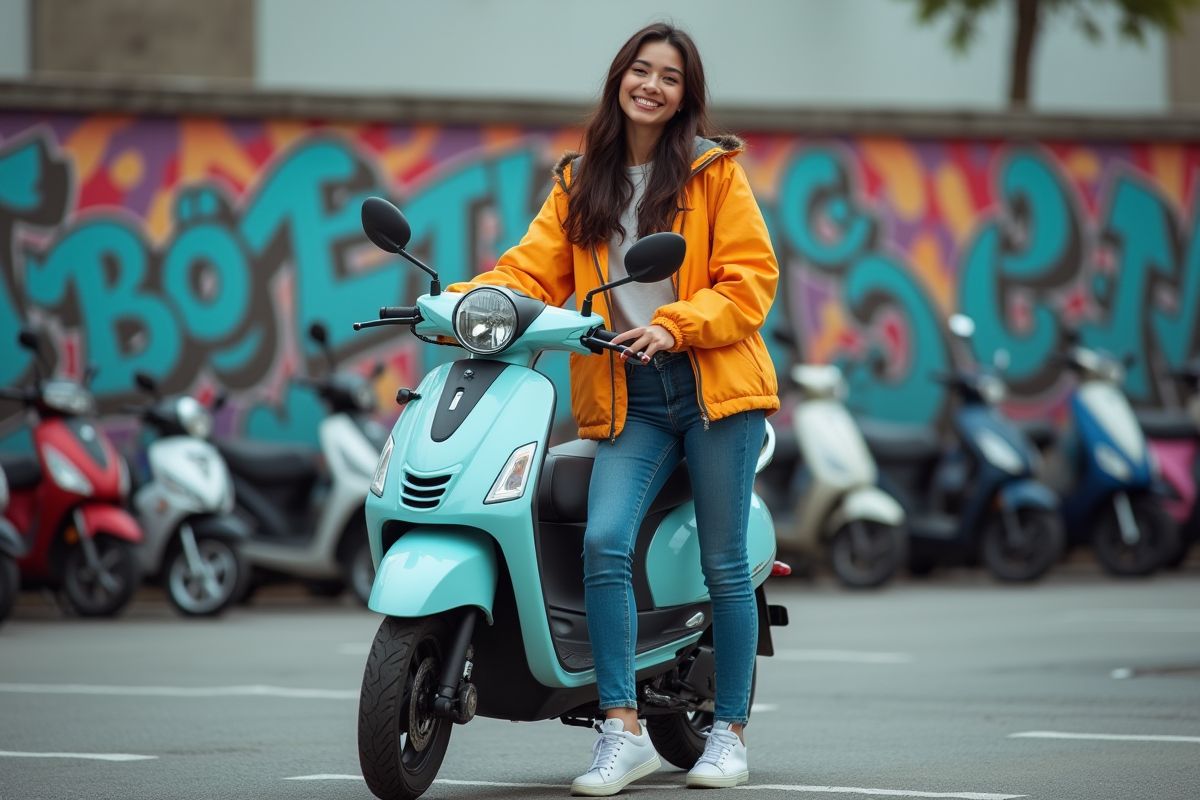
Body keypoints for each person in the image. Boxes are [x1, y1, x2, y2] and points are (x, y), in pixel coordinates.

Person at [446, 21, 778, 796]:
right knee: (603, 543)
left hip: (714, 388)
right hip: (635, 395)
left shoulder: (713, 174)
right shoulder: (580, 181)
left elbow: (749, 281)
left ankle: (728, 733)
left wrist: (675, 324)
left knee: (724, 562)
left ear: (685, 97)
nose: (651, 86)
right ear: (619, 80)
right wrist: (465, 300)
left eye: (669, 77)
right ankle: (622, 730)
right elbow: (531, 271)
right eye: (640, 70)